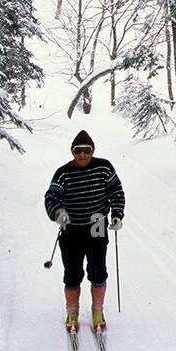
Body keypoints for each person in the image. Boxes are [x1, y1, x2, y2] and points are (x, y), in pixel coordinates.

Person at [44, 130, 125, 332]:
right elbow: (51, 197)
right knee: (72, 272)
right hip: (71, 227)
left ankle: (97, 310)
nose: (82, 155)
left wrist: (116, 214)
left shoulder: (104, 168)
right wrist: (57, 212)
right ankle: (72, 311)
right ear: (72, 152)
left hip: (97, 223)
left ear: (92, 151)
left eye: (86, 150)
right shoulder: (63, 173)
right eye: (78, 151)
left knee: (98, 270)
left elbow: (116, 191)